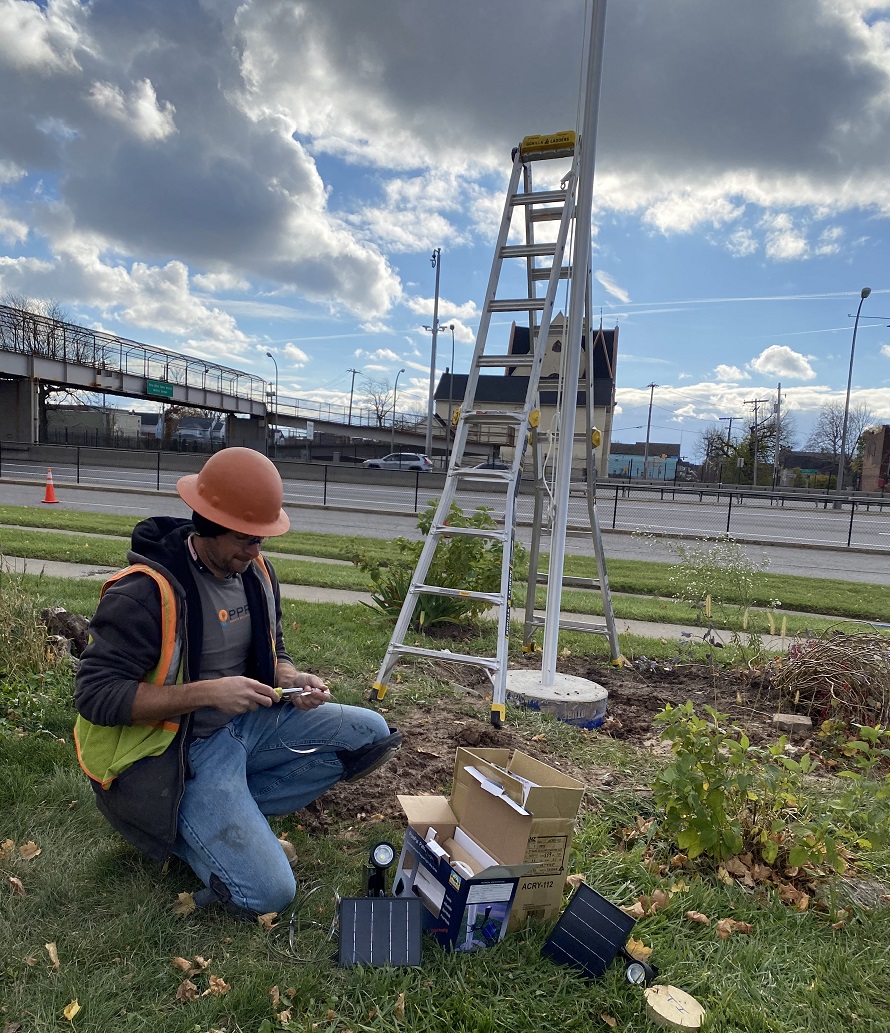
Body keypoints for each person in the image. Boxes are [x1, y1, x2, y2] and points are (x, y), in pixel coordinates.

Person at [74, 447, 400, 919]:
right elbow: (95, 695)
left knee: (369, 734)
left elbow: (276, 652)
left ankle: (231, 819)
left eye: (261, 540)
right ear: (206, 523)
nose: (255, 551)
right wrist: (208, 693)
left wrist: (292, 679)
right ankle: (182, 830)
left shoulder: (258, 574)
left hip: (247, 729)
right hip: (176, 753)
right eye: (245, 539)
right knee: (269, 894)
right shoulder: (145, 592)